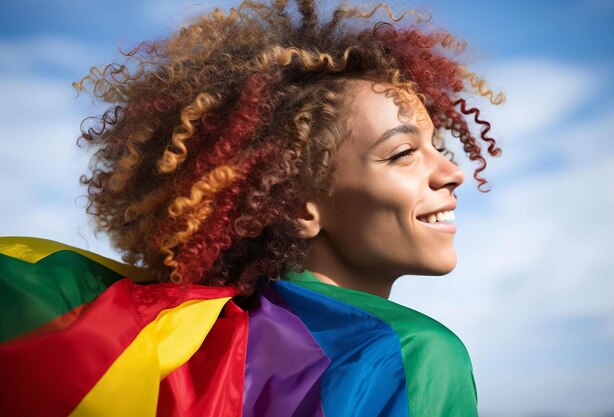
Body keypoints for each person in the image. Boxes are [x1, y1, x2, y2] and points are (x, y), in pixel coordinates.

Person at [0, 0, 503, 415]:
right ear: (301, 204)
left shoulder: (181, 354)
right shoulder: (408, 353)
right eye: (402, 154)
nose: (452, 172)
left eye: (439, 146)